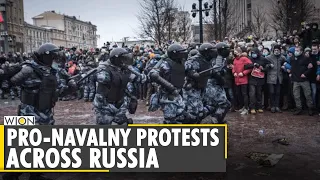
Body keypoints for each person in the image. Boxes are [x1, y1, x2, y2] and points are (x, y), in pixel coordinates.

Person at [2, 43, 60, 180]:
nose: (54, 58)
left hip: (45, 112)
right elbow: (10, 82)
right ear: (45, 56)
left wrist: (69, 87)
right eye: (51, 56)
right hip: (28, 112)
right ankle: (11, 174)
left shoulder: (51, 71)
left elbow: (57, 89)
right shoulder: (28, 69)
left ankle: (36, 174)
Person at [93, 48, 146, 125]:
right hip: (105, 104)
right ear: (116, 59)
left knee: (122, 123)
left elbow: (137, 79)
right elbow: (102, 78)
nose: (124, 62)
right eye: (122, 59)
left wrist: (144, 76)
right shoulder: (104, 68)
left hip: (120, 102)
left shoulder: (124, 69)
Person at [148, 44, 191, 124]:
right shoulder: (165, 64)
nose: (182, 55)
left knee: (185, 117)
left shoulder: (182, 63)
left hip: (178, 95)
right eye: (180, 54)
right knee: (170, 121)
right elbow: (152, 74)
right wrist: (170, 87)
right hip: (167, 96)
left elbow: (189, 70)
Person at [184, 43, 218, 123]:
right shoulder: (194, 60)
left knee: (200, 112)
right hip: (192, 89)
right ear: (206, 52)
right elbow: (185, 69)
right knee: (193, 113)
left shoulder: (208, 61)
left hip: (201, 88)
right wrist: (192, 73)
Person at [203, 42, 231, 123]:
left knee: (214, 105)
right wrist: (221, 74)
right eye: (226, 49)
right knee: (225, 104)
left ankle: (215, 119)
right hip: (212, 84)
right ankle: (214, 120)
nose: (228, 51)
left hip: (215, 84)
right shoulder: (218, 58)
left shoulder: (221, 58)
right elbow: (215, 71)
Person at [245, 47, 271, 114]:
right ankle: (252, 108)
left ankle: (259, 107)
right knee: (252, 94)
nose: (253, 54)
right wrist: (253, 65)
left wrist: (263, 68)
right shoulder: (249, 59)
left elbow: (268, 65)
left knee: (259, 93)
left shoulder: (262, 59)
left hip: (260, 79)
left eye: (254, 53)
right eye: (252, 53)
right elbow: (245, 66)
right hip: (252, 78)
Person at [289, 46, 314, 115]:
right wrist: (291, 73)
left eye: (297, 50)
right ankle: (299, 108)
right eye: (295, 50)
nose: (296, 52)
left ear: (301, 51)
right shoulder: (292, 58)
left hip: (304, 79)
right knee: (296, 95)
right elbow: (292, 67)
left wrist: (305, 74)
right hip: (295, 80)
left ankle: (310, 108)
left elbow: (310, 68)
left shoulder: (306, 58)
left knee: (307, 95)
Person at [265, 45, 286, 113]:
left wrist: (284, 66)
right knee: (271, 92)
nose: (276, 52)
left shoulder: (282, 58)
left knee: (278, 92)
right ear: (273, 51)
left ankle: (277, 106)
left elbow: (285, 63)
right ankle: (272, 106)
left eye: (278, 50)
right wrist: (269, 65)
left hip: (279, 77)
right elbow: (264, 65)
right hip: (271, 77)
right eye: (275, 50)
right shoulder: (269, 57)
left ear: (280, 51)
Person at [232, 47, 252, 115]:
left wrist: (244, 73)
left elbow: (250, 67)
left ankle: (246, 108)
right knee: (239, 94)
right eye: (234, 52)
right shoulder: (234, 59)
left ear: (240, 53)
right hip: (237, 79)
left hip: (243, 80)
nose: (235, 54)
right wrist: (234, 72)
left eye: (236, 52)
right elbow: (233, 67)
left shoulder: (244, 59)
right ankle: (243, 106)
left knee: (244, 94)